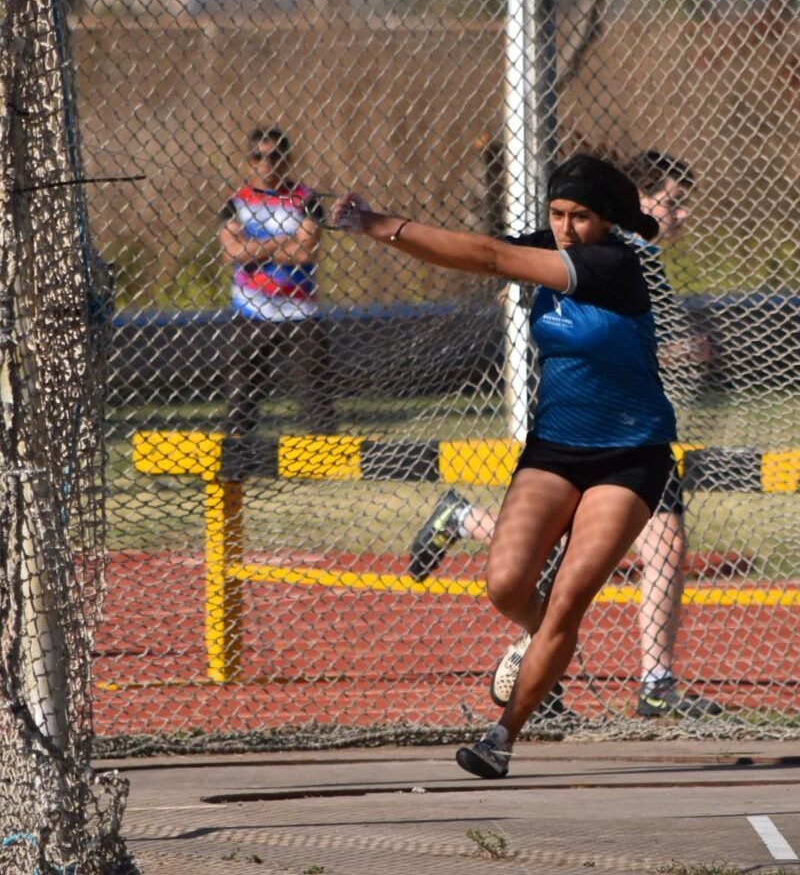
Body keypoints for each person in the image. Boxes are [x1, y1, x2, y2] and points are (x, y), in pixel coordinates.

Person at [332, 153, 678, 779]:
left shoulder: (613, 263)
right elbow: (474, 250)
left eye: (580, 217)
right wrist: (375, 229)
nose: (566, 228)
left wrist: (379, 222)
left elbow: (491, 258)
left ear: (606, 222)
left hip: (631, 455)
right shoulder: (551, 243)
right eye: (557, 214)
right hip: (556, 448)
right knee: (507, 583)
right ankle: (544, 642)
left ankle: (502, 736)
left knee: (570, 596)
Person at [408, 150, 723, 720]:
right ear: (631, 203)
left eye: (683, 204)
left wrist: (675, 352)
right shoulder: (614, 255)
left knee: (659, 547)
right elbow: (493, 257)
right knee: (561, 562)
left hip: (636, 436)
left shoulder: (640, 260)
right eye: (669, 202)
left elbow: (628, 339)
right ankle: (563, 651)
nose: (678, 215)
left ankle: (647, 676)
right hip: (581, 434)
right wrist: (385, 228)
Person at [219, 126, 335, 436]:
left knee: (315, 395)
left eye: (273, 156)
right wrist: (281, 241)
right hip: (250, 309)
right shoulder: (237, 202)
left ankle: (323, 454)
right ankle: (238, 453)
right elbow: (232, 253)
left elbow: (305, 252)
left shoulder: (305, 200)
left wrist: (255, 250)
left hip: (299, 309)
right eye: (258, 156)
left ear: (286, 159)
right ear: (249, 161)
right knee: (241, 395)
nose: (266, 163)